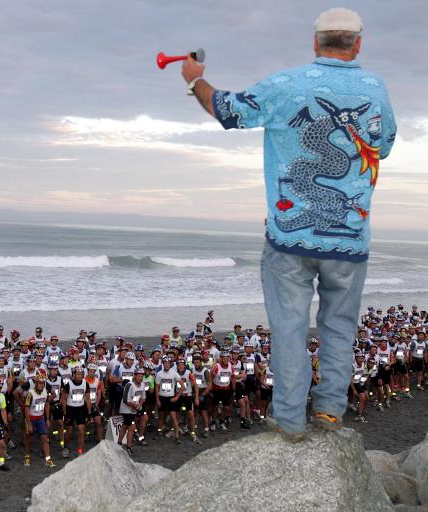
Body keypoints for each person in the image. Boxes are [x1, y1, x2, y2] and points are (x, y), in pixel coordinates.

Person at [181, 7, 396, 439]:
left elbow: (227, 110)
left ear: (315, 43)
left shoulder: (285, 84)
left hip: (289, 240)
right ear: (357, 44)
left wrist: (193, 78)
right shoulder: (375, 88)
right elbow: (384, 144)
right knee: (340, 326)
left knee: (289, 330)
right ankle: (331, 412)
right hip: (350, 241)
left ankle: (291, 419)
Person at [22, 372, 56, 468]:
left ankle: (48, 459)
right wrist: (28, 423)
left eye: (43, 383)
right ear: (36, 383)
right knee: (28, 439)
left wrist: (48, 419)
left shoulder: (45, 392)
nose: (41, 385)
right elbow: (26, 409)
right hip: (31, 418)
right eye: (40, 383)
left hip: (40, 418)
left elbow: (47, 405)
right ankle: (27, 456)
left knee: (45, 438)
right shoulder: (30, 394)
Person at [118, 367, 146, 455]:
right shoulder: (129, 385)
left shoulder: (142, 385)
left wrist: (140, 404)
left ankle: (119, 443)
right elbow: (126, 400)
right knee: (131, 427)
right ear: (135, 376)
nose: (140, 378)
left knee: (125, 426)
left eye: (142, 376)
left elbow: (143, 397)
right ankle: (129, 446)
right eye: (139, 376)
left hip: (134, 409)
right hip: (126, 409)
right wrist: (135, 405)